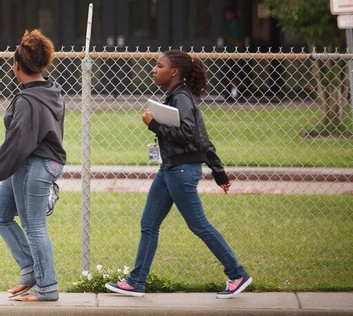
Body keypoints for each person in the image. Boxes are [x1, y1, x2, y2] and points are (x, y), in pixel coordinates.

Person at [105, 50, 251, 299]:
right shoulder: (177, 96)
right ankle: (136, 282)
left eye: (159, 65)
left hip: (181, 171)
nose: (154, 69)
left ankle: (237, 274)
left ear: (174, 71)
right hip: (170, 169)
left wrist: (154, 125)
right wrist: (219, 174)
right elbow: (202, 139)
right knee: (149, 224)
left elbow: (189, 136)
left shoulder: (181, 98)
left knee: (199, 225)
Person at [0, 29, 66, 302]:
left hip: (34, 165)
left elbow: (16, 146)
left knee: (34, 226)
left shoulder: (27, 101)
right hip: (32, 164)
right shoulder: (50, 92)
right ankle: (30, 270)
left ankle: (47, 287)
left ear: (16, 66)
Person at [220, 7, 243, 101]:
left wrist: (240, 43)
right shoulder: (225, 25)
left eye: (228, 14)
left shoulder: (239, 25)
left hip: (238, 53)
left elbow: (243, 36)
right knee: (227, 73)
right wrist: (237, 42)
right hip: (228, 52)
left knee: (237, 73)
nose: (227, 16)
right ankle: (228, 93)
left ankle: (236, 93)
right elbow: (227, 37)